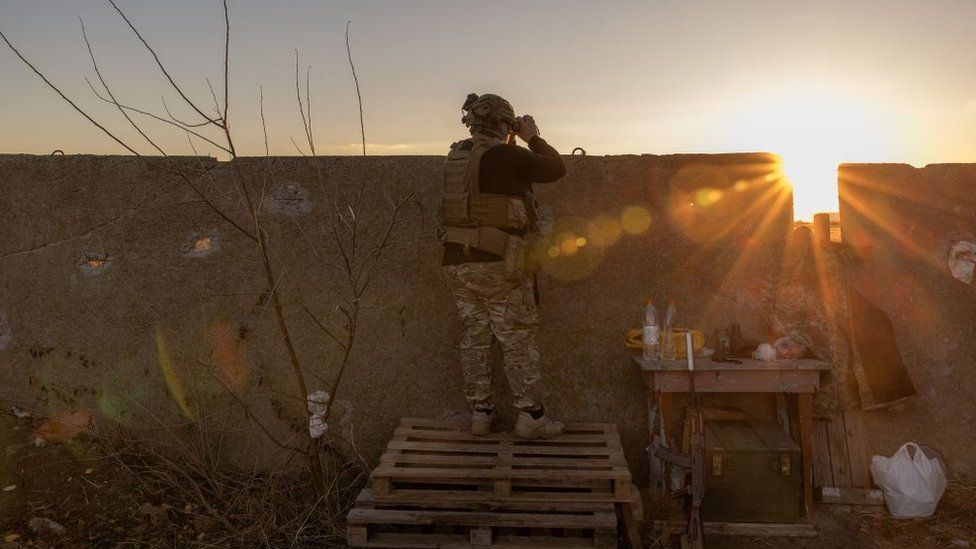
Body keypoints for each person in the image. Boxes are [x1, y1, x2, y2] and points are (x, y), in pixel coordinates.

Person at [440, 93, 566, 439]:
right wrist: (532, 136)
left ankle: (481, 414)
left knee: (475, 337)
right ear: (503, 124)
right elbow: (555, 167)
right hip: (498, 263)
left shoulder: (456, 156)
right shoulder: (508, 155)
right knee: (516, 337)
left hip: (457, 261)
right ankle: (532, 417)